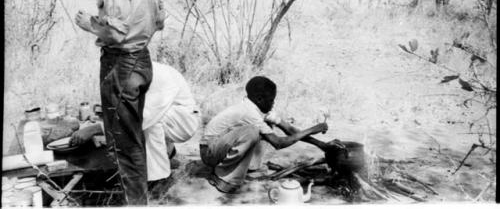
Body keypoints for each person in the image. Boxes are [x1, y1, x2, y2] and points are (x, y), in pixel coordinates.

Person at [75, 0, 165, 205]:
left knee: (124, 145)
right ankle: (138, 199)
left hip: (122, 64)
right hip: (142, 60)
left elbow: (114, 33)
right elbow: (160, 21)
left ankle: (136, 203)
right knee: (132, 138)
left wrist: (90, 25)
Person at [70, 62, 200, 190]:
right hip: (163, 116)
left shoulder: (161, 77)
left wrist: (96, 129)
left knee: (147, 123)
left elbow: (142, 118)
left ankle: (157, 179)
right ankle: (166, 153)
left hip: (184, 123)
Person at [199, 76, 328, 193]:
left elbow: (289, 129)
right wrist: (312, 129)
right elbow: (278, 143)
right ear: (260, 99)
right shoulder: (249, 112)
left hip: (219, 146)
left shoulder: (259, 107)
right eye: (271, 100)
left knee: (266, 127)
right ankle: (222, 178)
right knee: (252, 131)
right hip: (209, 151)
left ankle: (251, 166)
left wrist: (323, 145)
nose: (273, 103)